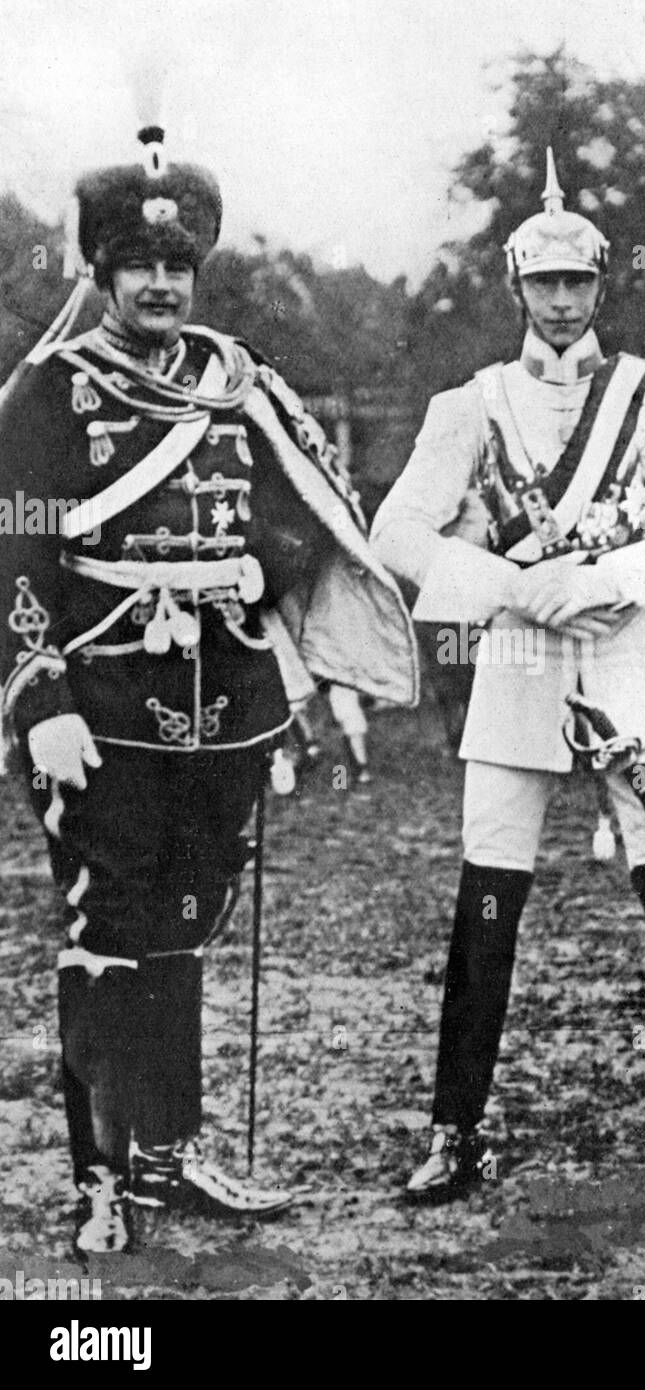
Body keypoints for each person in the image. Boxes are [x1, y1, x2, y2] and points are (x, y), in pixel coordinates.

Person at [0, 127, 417, 1253]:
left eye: (179, 267)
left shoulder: (241, 385)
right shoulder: (51, 394)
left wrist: (265, 576)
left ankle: (170, 1151)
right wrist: (41, 702)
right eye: (137, 265)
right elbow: (18, 554)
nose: (161, 285)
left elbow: (307, 518)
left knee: (186, 925)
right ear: (100, 271)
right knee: (107, 929)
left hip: (226, 699)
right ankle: (100, 1177)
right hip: (106, 701)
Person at [371, 150, 645, 1200]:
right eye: (543, 283)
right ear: (516, 288)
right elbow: (399, 533)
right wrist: (511, 588)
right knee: (489, 889)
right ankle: (454, 1130)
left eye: (578, 283)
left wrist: (608, 573)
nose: (561, 302)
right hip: (516, 657)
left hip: (628, 649)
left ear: (601, 288)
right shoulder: (469, 404)